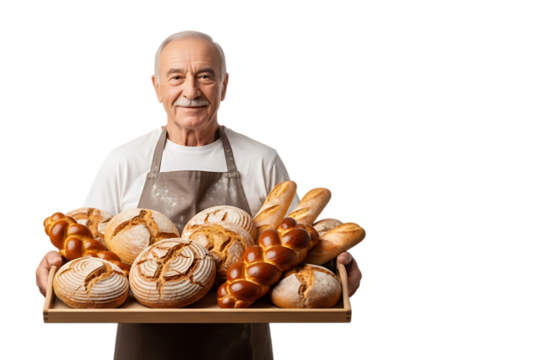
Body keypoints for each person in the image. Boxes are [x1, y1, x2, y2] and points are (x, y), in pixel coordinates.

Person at [35, 28, 362, 359]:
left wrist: (339, 269)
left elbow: (292, 251)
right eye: (176, 77)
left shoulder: (261, 158)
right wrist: (54, 265)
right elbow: (87, 250)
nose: (190, 91)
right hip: (145, 348)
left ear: (224, 86)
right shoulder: (124, 158)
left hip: (242, 347)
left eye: (205, 76)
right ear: (156, 87)